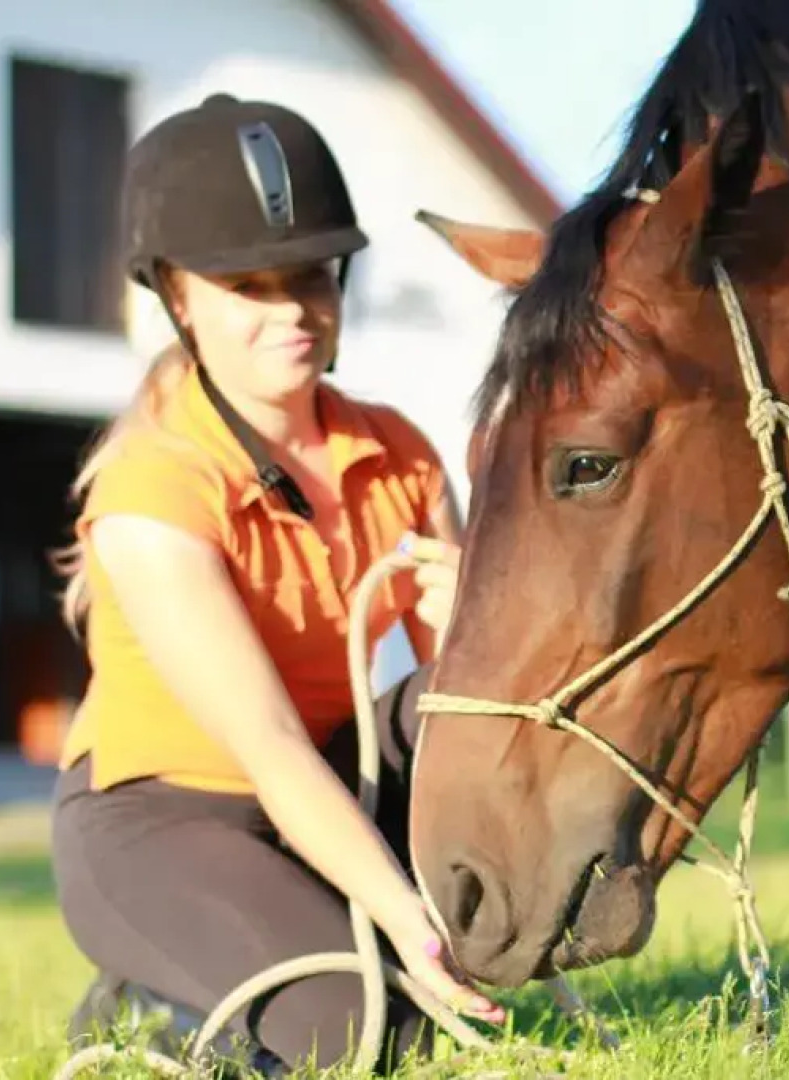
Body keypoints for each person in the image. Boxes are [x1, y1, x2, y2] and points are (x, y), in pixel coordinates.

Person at [48, 92, 503, 1076]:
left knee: (452, 694)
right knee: (367, 1033)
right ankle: (144, 1001)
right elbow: (267, 746)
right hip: (162, 821)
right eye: (247, 286)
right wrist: (409, 931)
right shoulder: (150, 489)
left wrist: (468, 622)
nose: (292, 310)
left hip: (329, 786)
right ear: (177, 296)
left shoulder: (402, 453)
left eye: (310, 276)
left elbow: (479, 706)